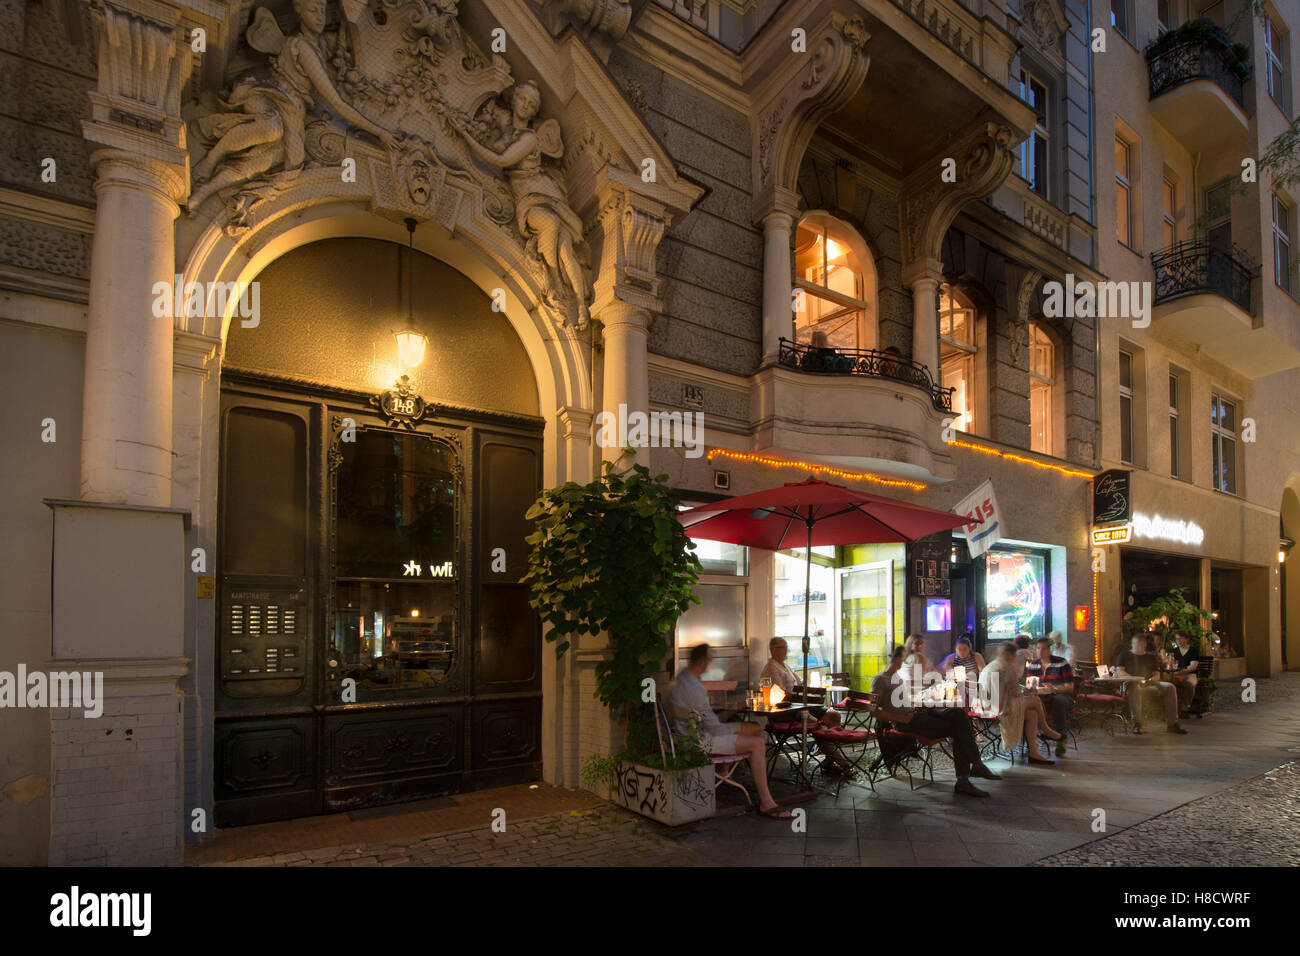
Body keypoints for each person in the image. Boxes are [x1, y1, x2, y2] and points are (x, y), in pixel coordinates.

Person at [669, 644, 792, 817]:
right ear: (703, 660)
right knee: (757, 743)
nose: (710, 664)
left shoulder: (683, 679)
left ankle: (723, 771)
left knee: (754, 729)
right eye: (710, 660)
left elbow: (704, 719)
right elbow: (714, 728)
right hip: (701, 742)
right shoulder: (695, 688)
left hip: (689, 736)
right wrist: (734, 727)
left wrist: (732, 710)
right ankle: (766, 802)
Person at [871, 646, 1001, 797]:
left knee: (958, 713)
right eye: (905, 659)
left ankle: (972, 772)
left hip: (917, 713)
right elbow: (873, 711)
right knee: (959, 728)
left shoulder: (897, 676)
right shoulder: (880, 679)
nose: (907, 662)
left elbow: (901, 700)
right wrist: (900, 718)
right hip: (908, 722)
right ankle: (969, 774)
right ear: (897, 658)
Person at [759, 638, 858, 777]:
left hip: (801, 704)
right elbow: (780, 694)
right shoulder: (771, 668)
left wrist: (809, 687)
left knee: (834, 715)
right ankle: (844, 764)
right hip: (790, 710)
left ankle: (829, 759)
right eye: (783, 647)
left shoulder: (785, 666)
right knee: (820, 727)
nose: (786, 650)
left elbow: (800, 683)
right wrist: (798, 695)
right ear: (773, 649)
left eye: (786, 647)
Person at [979, 643, 1064, 765]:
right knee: (1035, 700)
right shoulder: (1006, 668)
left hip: (987, 706)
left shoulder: (991, 666)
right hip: (1002, 707)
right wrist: (1027, 691)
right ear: (1012, 655)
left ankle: (1033, 753)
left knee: (1032, 714)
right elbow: (1016, 693)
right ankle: (1046, 729)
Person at [1114, 633, 1188, 735]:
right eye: (1137, 644)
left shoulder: (1150, 657)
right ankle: (1137, 723)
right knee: (1135, 690)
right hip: (1132, 684)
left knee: (1170, 687)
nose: (1139, 646)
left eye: (1141, 644)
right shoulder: (1124, 655)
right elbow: (1120, 671)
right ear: (1132, 644)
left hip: (1150, 683)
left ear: (1145, 645)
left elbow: (1156, 673)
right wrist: (1134, 679)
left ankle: (1172, 723)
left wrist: (1153, 679)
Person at [1024, 636, 1075, 757]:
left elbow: (1070, 687)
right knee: (1028, 705)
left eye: (1044, 648)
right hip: (1041, 697)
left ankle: (1060, 738)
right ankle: (1030, 743)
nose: (1040, 651)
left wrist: (1055, 689)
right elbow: (1030, 686)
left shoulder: (1061, 662)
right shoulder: (1033, 665)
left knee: (1058, 701)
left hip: (1062, 695)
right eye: (1038, 648)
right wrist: (1031, 688)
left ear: (1049, 649)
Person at [1167, 631, 1200, 718]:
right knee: (1170, 684)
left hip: (1189, 674)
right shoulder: (1174, 651)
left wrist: (1181, 671)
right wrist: (1169, 663)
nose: (1179, 641)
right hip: (1176, 674)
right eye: (1177, 639)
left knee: (1190, 684)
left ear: (1187, 639)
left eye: (1181, 639)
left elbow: (1193, 666)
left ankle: (1186, 707)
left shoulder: (1193, 650)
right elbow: (1170, 665)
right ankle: (1173, 708)